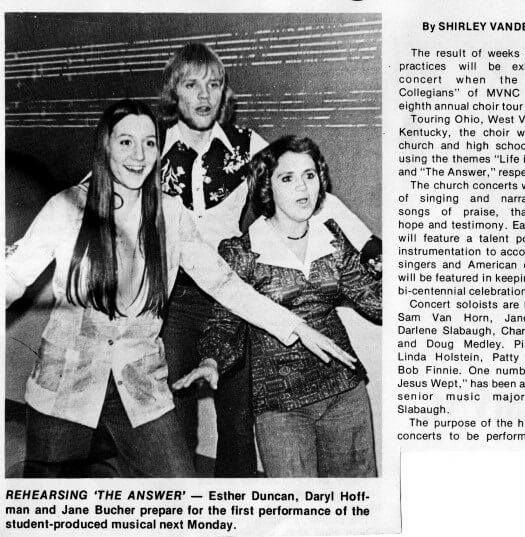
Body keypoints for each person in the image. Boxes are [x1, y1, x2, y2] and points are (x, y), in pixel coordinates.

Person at [5, 100, 350, 478]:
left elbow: (224, 282)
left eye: (149, 143)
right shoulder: (67, 207)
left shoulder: (170, 214)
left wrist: (293, 325)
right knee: (49, 506)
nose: (139, 156)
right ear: (106, 147)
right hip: (64, 388)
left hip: (140, 389)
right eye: (126, 143)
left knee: (180, 494)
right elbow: (13, 278)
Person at [158, 43, 375, 476]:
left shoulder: (245, 145)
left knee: (237, 426)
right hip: (179, 302)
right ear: (174, 92)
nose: (204, 96)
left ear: (224, 94)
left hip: (239, 297)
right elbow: (98, 187)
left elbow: (309, 192)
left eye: (214, 84)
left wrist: (370, 245)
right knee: (176, 424)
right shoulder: (153, 147)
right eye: (191, 84)